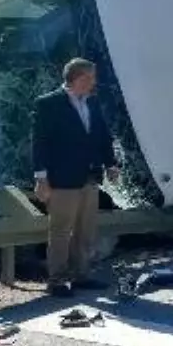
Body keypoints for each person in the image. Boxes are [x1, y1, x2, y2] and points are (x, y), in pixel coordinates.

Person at [31, 58, 119, 296]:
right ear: (78, 78)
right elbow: (40, 144)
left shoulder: (92, 102)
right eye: (91, 78)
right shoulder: (48, 104)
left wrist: (111, 164)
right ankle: (57, 280)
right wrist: (41, 179)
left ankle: (81, 274)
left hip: (89, 177)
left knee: (85, 230)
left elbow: (102, 135)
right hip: (62, 179)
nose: (94, 82)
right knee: (60, 231)